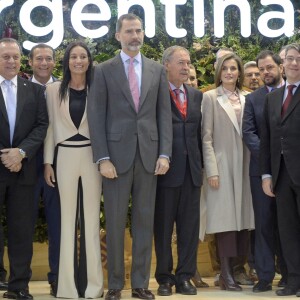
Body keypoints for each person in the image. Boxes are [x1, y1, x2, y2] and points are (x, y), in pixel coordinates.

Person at [87, 13, 172, 300]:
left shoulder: (157, 70)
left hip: (149, 157)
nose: (135, 36)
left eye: (138, 30)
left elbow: (163, 115)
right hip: (115, 159)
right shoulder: (103, 70)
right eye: (129, 31)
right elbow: (96, 117)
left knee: (144, 222)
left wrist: (164, 153)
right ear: (118, 36)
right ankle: (114, 285)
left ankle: (139, 284)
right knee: (113, 223)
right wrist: (102, 158)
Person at [44, 41, 103, 298]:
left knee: (90, 220)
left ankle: (93, 287)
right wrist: (48, 162)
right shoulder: (52, 90)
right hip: (64, 155)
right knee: (67, 220)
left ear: (89, 61)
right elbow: (48, 129)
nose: (78, 60)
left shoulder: (98, 89)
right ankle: (67, 286)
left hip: (92, 155)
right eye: (73, 56)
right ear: (67, 61)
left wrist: (106, 158)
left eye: (83, 56)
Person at [201, 52, 254, 291]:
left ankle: (237, 269)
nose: (229, 73)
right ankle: (224, 272)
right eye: (225, 69)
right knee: (225, 221)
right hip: (221, 165)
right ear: (219, 73)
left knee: (244, 219)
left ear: (239, 71)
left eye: (233, 68)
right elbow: (206, 137)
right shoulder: (210, 98)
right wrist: (212, 170)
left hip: (246, 164)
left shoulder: (248, 97)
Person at [0, 38, 48, 299]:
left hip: (24, 169)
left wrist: (20, 152)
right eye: (6, 57)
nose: (11, 61)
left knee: (21, 231)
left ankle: (19, 287)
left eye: (15, 57)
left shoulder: (35, 91)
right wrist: (5, 155)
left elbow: (41, 126)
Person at [154, 46, 203, 296]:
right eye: (181, 63)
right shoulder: (156, 94)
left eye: (188, 63)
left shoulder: (196, 96)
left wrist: (202, 168)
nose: (186, 67)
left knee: (189, 228)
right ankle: (165, 278)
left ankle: (185, 276)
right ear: (166, 66)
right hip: (165, 172)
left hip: (192, 173)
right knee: (163, 228)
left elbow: (199, 135)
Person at [243, 50, 287, 293]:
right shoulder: (253, 99)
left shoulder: (293, 93)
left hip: (289, 170)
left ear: (280, 67)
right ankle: (265, 276)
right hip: (260, 171)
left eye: (269, 67)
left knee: (288, 224)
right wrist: (269, 159)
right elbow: (248, 133)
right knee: (263, 224)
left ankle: (290, 274)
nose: (265, 73)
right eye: (261, 69)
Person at [260, 43, 300, 297]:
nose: (295, 63)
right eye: (290, 59)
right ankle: (295, 280)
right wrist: (266, 174)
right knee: (287, 230)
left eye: (299, 59)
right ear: (282, 63)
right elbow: (267, 140)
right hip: (282, 175)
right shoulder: (272, 98)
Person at [28, 43, 60, 295]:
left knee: (57, 222)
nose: (44, 63)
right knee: (22, 224)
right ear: (29, 62)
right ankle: (19, 280)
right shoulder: (20, 88)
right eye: (39, 58)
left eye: (48, 58)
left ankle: (57, 276)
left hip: (58, 164)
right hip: (26, 164)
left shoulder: (62, 87)